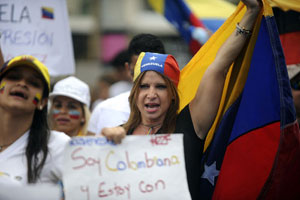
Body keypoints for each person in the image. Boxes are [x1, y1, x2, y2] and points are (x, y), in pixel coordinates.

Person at [101, 0, 261, 199]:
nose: (151, 94)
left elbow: (218, 68)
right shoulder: (121, 134)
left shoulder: (189, 125)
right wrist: (108, 142)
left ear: (172, 94)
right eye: (144, 86)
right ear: (135, 94)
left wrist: (251, 13)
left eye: (160, 86)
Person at [0, 55, 70, 185]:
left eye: (33, 83)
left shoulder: (56, 146)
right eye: (13, 77)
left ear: (43, 102)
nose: (22, 84)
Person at [87, 33, 166, 135]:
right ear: (128, 68)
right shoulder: (103, 110)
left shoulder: (180, 111)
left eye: (153, 70)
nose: (146, 77)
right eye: (139, 70)